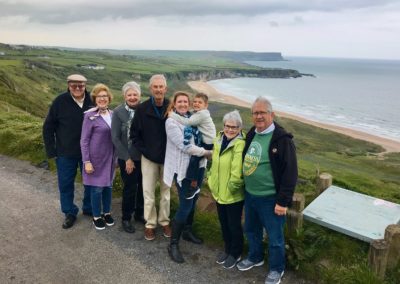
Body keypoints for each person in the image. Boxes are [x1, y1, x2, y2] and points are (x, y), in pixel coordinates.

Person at [237, 97, 298, 284]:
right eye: (255, 113)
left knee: (275, 237)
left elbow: (290, 172)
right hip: (251, 194)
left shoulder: (282, 140)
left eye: (263, 112)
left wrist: (283, 202)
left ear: (272, 114)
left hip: (271, 198)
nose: (259, 116)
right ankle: (255, 257)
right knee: (251, 230)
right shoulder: (252, 134)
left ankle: (276, 268)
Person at [163, 91, 211, 263]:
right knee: (185, 206)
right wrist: (207, 152)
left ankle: (187, 231)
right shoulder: (171, 122)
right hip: (183, 171)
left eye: (186, 101)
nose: (183, 104)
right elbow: (186, 147)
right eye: (180, 101)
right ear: (174, 104)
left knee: (194, 200)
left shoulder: (192, 118)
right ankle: (173, 244)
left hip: (197, 168)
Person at [43, 74, 93, 229]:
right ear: (68, 85)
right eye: (74, 85)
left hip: (89, 153)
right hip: (65, 152)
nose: (77, 88)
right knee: (65, 184)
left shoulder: (93, 100)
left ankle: (89, 208)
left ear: (85, 85)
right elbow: (48, 127)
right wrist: (52, 151)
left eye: (81, 85)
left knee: (90, 183)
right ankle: (70, 212)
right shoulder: (60, 101)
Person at [131, 74, 171, 241]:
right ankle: (150, 224)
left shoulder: (172, 106)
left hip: (168, 158)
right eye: (155, 87)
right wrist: (146, 151)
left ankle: (164, 221)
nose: (158, 89)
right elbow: (134, 135)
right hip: (148, 158)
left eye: (161, 87)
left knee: (166, 193)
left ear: (166, 89)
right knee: (148, 192)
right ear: (150, 89)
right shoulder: (142, 109)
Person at [208, 110, 245, 269]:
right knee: (223, 223)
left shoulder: (240, 144)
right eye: (227, 126)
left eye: (234, 127)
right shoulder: (218, 139)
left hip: (232, 194)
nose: (230, 130)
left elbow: (237, 171)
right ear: (223, 126)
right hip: (218, 191)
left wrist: (232, 188)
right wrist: (210, 179)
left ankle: (236, 253)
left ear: (239, 128)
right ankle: (227, 249)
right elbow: (214, 165)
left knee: (234, 225)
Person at [81, 83, 115, 230]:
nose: (102, 99)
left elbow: (117, 138)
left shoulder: (114, 115)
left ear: (109, 98)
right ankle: (96, 216)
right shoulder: (90, 116)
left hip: (111, 158)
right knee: (96, 189)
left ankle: (106, 212)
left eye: (105, 96)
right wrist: (86, 161)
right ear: (95, 99)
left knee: (108, 187)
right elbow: (84, 140)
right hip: (95, 159)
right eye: (99, 96)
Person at [111, 81, 145, 233]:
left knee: (144, 188)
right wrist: (127, 159)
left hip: (144, 157)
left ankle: (139, 214)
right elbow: (115, 138)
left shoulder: (145, 109)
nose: (132, 97)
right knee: (130, 188)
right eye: (129, 94)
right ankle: (126, 218)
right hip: (128, 158)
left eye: (135, 94)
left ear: (140, 95)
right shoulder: (118, 112)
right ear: (124, 96)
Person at [169, 93, 216, 199]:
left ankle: (193, 184)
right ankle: (195, 183)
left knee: (194, 160)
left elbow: (188, 122)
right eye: (195, 102)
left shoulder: (202, 114)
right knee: (197, 160)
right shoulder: (199, 113)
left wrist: (172, 114)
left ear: (206, 105)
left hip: (207, 143)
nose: (196, 104)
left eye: (200, 102)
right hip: (207, 141)